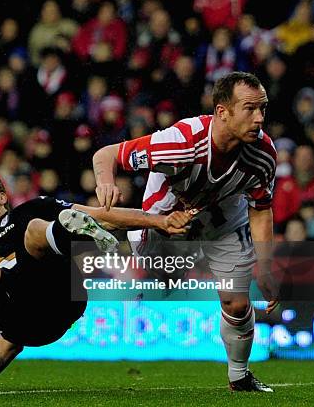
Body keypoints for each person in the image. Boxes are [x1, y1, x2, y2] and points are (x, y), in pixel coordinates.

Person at [0, 154, 190, 390]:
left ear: (1, 196)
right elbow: (12, 340)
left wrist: (160, 222)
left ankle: (69, 231)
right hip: (20, 317)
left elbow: (104, 216)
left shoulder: (29, 210)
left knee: (33, 229)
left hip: (57, 295)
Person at [92, 71, 277, 392]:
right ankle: (141, 255)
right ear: (222, 111)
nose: (259, 118)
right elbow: (106, 154)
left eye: (263, 108)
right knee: (158, 278)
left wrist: (267, 266)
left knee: (237, 303)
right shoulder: (180, 143)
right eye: (250, 109)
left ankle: (239, 376)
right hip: (165, 219)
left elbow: (260, 209)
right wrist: (106, 182)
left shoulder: (264, 155)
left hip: (223, 221)